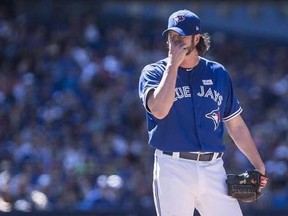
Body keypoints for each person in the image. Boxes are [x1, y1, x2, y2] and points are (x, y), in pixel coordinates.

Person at [138, 9, 267, 216]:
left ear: (196, 38)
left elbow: (235, 124)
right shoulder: (154, 72)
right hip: (172, 167)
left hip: (213, 168)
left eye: (182, 36)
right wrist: (172, 65)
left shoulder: (218, 73)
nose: (176, 41)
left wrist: (258, 164)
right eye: (172, 36)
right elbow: (159, 111)